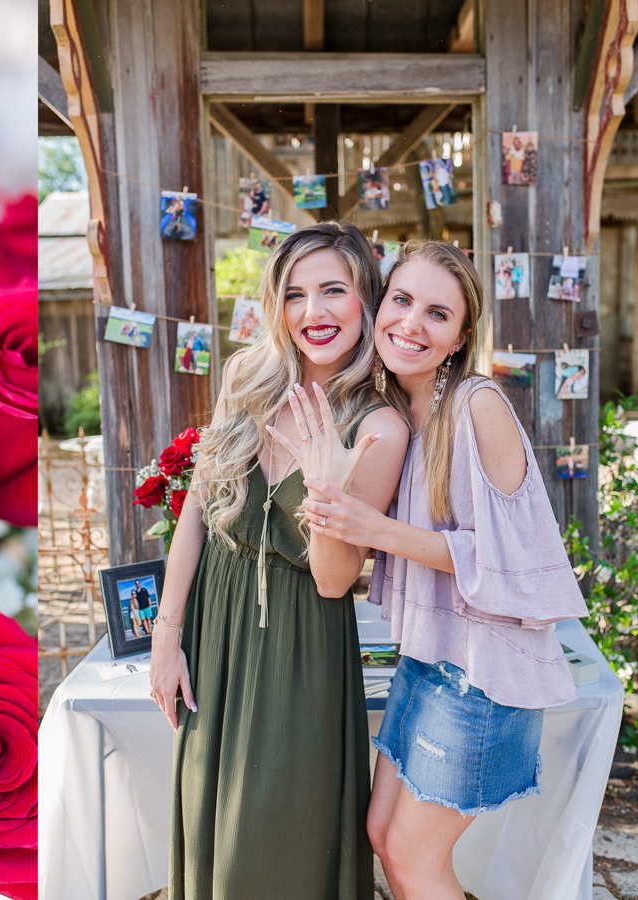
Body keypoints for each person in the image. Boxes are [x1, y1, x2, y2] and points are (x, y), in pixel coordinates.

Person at [291, 241, 588, 900]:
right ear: (379, 308)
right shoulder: (396, 416)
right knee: (380, 833)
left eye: (437, 314)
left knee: (413, 857)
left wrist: (375, 530)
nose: (411, 324)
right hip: (431, 662)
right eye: (401, 301)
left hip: (485, 676)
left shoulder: (476, 405)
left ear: (458, 339)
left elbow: (519, 564)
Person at [150, 221, 411, 900]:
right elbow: (197, 511)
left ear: (367, 300)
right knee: (209, 821)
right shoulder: (247, 375)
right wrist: (167, 632)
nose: (312, 313)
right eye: (294, 294)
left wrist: (325, 489)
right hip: (214, 632)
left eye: (333, 291)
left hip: (300, 649)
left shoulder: (379, 427)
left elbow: (332, 580)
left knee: (278, 841)